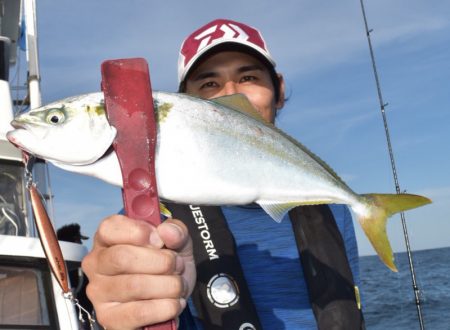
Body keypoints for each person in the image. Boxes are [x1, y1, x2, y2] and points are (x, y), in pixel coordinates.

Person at [82, 19, 364, 330]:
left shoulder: (329, 206)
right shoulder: (150, 217)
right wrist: (119, 312)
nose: (231, 95)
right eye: (209, 84)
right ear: (186, 105)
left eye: (248, 77)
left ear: (279, 90)